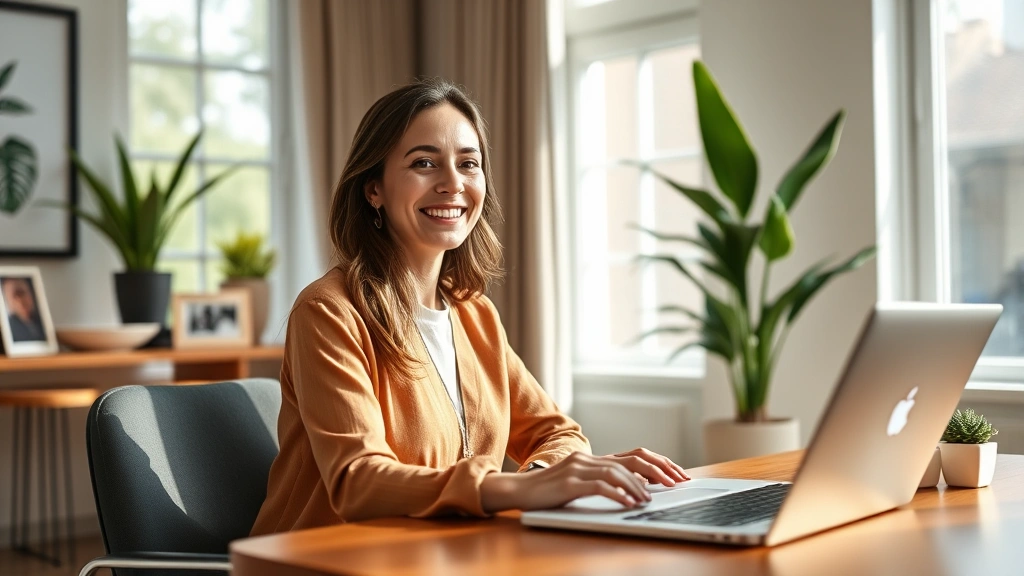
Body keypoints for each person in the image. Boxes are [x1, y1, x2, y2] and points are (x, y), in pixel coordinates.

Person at [250, 79, 689, 535]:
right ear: (373, 188)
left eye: (468, 164)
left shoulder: (474, 314)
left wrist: (542, 480)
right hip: (324, 560)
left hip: (442, 554)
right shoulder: (328, 312)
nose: (453, 184)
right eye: (424, 163)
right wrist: (513, 491)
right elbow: (358, 482)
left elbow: (557, 434)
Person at [1, 277, 45, 342]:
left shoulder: (41, 321)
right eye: (15, 296)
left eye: (22, 293)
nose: (20, 301)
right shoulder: (10, 329)